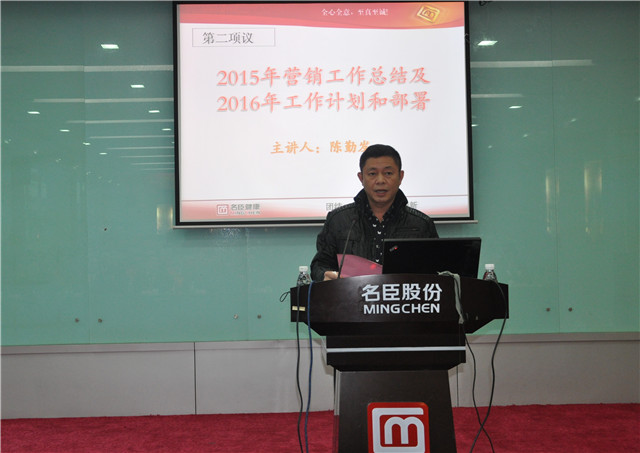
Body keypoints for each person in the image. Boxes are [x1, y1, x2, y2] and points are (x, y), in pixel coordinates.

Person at [310, 144, 438, 282]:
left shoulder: (421, 224)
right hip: (351, 294)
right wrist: (324, 275)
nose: (380, 180)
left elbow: (436, 272)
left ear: (400, 177)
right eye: (372, 174)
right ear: (361, 178)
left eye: (388, 173)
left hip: (403, 295)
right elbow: (320, 264)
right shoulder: (339, 220)